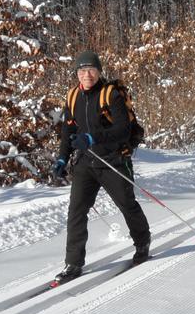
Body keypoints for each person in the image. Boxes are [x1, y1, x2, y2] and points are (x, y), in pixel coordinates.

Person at [51, 50, 151, 285]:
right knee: (76, 212)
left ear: (99, 72)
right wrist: (62, 159)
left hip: (114, 159)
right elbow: (67, 132)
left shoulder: (111, 94)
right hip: (86, 163)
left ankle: (142, 241)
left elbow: (122, 130)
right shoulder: (73, 96)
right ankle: (73, 263)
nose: (87, 75)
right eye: (82, 71)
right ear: (77, 74)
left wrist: (92, 138)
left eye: (91, 70)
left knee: (127, 205)